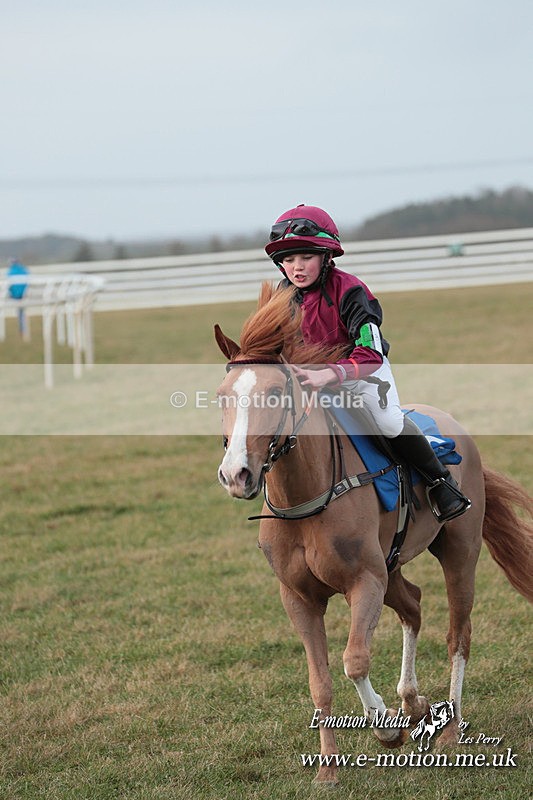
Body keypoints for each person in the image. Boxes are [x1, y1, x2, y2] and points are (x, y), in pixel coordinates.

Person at [264, 204, 471, 522]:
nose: (297, 267)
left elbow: (371, 353)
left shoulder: (352, 291)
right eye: (289, 260)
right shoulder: (282, 296)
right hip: (308, 377)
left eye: (305, 257)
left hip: (362, 372)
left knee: (387, 422)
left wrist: (330, 375)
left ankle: (440, 481)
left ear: (326, 255)